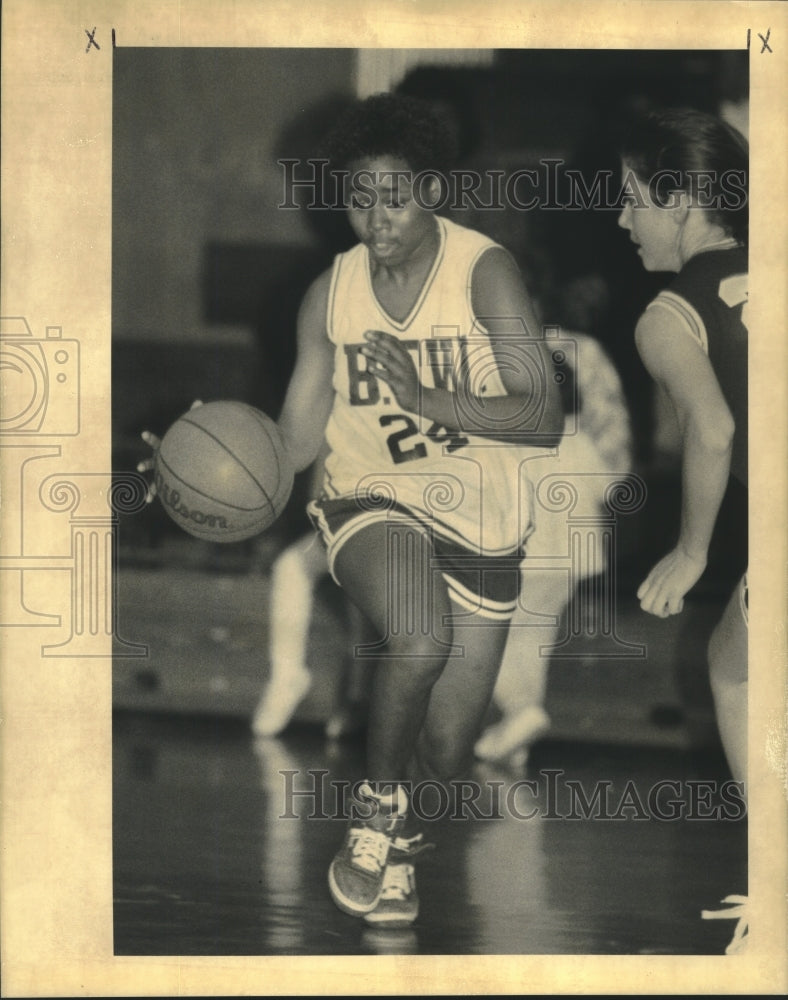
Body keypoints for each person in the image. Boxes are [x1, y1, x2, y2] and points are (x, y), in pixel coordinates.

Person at [274, 92, 563, 929]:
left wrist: (432, 398)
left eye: (392, 197)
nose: (375, 218)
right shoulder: (328, 296)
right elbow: (296, 445)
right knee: (419, 633)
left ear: (432, 192)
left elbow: (541, 417)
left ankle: (399, 837)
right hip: (367, 498)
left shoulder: (485, 271)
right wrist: (210, 461)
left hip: (484, 522)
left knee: (445, 754)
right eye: (358, 200)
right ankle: (371, 815)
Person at [617, 107, 748, 953]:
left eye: (632, 198)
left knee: (736, 679)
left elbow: (713, 429)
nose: (622, 218)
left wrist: (693, 550)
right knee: (734, 662)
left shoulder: (669, 313)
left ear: (682, 199)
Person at [474, 331, 632, 767]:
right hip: (568, 566)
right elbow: (609, 486)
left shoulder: (512, 442)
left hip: (525, 559)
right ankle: (518, 741)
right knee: (531, 646)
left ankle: (522, 714)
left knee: (492, 644)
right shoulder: (579, 440)